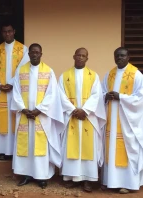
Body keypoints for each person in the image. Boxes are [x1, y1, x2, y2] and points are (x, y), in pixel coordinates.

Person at [11, 43, 63, 188]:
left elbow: (52, 94)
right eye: (32, 52)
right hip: (25, 116)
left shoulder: (48, 71)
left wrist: (39, 110)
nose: (34, 54)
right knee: (26, 146)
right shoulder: (21, 71)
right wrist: (23, 109)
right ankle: (26, 175)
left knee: (40, 146)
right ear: (28, 54)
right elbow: (16, 92)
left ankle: (42, 176)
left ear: (41, 54)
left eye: (37, 52)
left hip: (41, 116)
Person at [58, 48, 106, 192]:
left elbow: (96, 95)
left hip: (88, 117)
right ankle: (72, 177)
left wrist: (84, 110)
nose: (80, 57)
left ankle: (88, 180)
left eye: (83, 55)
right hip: (71, 116)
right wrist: (73, 110)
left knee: (87, 148)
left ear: (87, 58)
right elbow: (60, 94)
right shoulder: (65, 75)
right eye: (78, 55)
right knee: (71, 146)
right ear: (74, 56)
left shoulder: (93, 76)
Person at [102, 47, 143, 194]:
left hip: (127, 122)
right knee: (111, 148)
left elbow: (140, 98)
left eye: (123, 55)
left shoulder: (136, 75)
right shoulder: (110, 74)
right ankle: (110, 181)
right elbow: (101, 92)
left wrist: (121, 97)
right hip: (111, 121)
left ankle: (129, 183)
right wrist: (105, 97)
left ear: (128, 57)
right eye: (117, 55)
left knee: (127, 149)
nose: (119, 58)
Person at [0, 22, 29, 160]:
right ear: (2, 33)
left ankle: (13, 150)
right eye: (5, 31)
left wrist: (11, 83)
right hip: (0, 91)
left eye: (10, 31)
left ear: (14, 31)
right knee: (0, 121)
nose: (7, 34)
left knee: (14, 119)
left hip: (15, 91)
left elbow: (23, 69)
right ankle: (1, 150)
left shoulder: (23, 49)